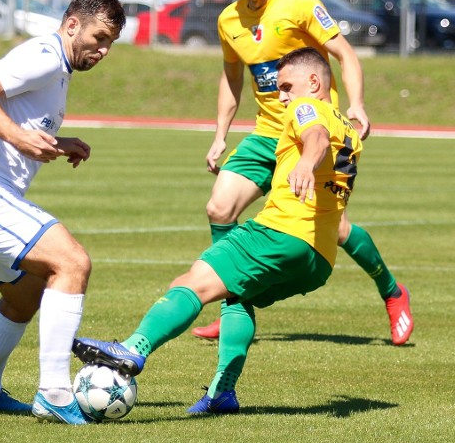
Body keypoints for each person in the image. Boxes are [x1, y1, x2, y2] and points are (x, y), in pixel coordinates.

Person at [72, 47, 362, 414]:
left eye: (287, 86)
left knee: (192, 282)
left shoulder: (310, 109)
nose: (282, 96)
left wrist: (305, 163)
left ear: (315, 82)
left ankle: (134, 348)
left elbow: (315, 137)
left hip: (280, 233)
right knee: (237, 297)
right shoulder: (347, 128)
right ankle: (222, 392)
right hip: (318, 259)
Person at [190, 0, 412, 346]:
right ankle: (232, 302)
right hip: (266, 135)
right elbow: (231, 78)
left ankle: (393, 292)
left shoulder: (299, 4)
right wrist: (220, 134)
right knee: (219, 207)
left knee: (339, 229)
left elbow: (345, 54)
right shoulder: (228, 21)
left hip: (311, 132)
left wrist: (357, 105)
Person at [0, 0, 126, 424]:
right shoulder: (46, 54)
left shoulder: (58, 67)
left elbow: (17, 116)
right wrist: (19, 137)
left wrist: (56, 143)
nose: (103, 50)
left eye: (111, 44)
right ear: (72, 24)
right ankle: (55, 393)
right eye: (99, 38)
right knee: (73, 263)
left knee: (24, 298)